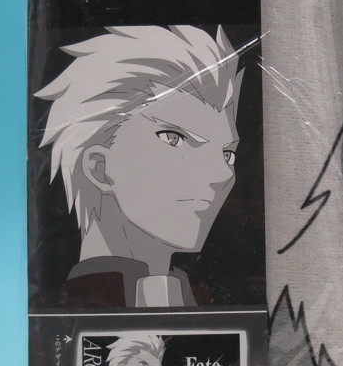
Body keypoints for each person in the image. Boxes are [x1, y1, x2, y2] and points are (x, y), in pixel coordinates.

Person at [35, 25, 243, 307]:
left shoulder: (192, 295)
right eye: (174, 138)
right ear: (99, 167)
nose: (223, 174)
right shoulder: (78, 306)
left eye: (227, 154)